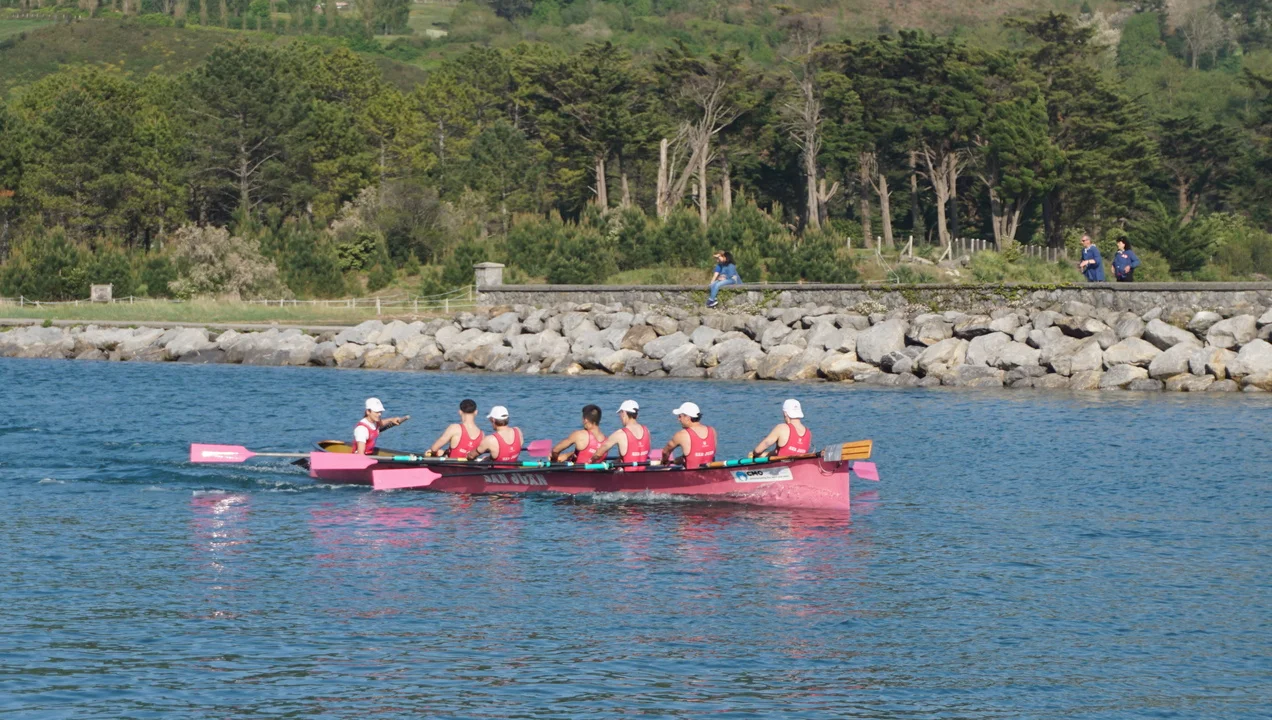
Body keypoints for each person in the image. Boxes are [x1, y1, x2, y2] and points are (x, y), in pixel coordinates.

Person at [590, 400, 650, 471]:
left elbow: (598, 454)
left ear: (624, 413)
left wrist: (591, 461)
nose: (620, 417)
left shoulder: (620, 434)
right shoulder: (646, 430)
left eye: (620, 413)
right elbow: (637, 454)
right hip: (643, 474)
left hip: (627, 476)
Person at [661, 402, 716, 469]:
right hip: (711, 472)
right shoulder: (712, 431)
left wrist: (665, 461)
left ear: (687, 417)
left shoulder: (681, 435)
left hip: (691, 474)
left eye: (680, 416)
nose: (678, 419)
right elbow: (700, 454)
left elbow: (665, 452)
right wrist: (677, 460)